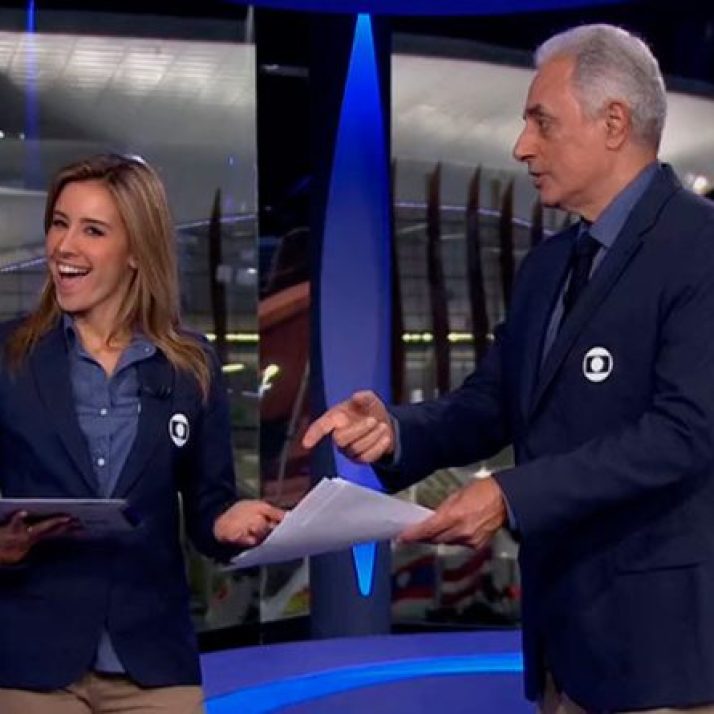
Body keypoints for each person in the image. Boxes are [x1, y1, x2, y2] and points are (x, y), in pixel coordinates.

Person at [303, 24, 714, 714]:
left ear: (614, 123)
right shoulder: (549, 265)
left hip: (665, 660)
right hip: (563, 652)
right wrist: (396, 432)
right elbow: (495, 400)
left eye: (541, 122)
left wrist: (508, 496)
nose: (522, 146)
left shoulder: (699, 247)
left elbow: (684, 433)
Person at [0, 153, 284, 714]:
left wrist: (227, 522)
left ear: (136, 251)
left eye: (93, 230)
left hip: (153, 660)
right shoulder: (9, 355)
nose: (64, 246)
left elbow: (208, 508)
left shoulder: (190, 366)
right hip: (30, 659)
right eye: (59, 223)